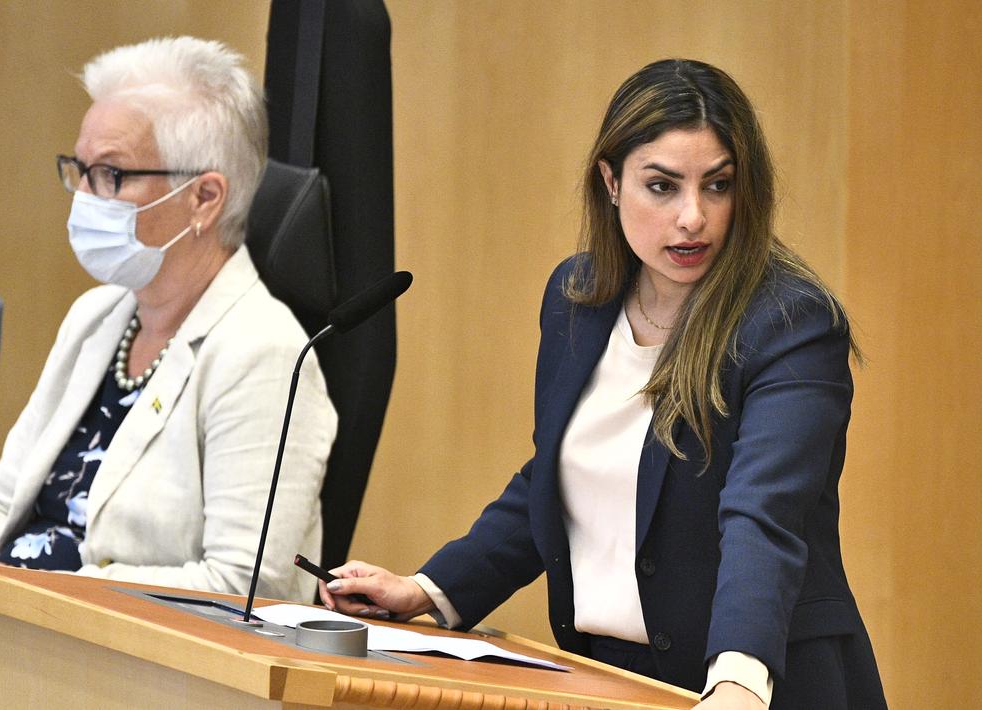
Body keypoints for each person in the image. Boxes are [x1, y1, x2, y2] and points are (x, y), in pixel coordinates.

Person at [320, 59, 885, 709]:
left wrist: (738, 678)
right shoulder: (577, 299)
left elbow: (764, 513)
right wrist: (428, 588)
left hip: (759, 681)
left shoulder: (789, 324)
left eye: (718, 185)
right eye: (662, 186)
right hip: (610, 677)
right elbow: (559, 478)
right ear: (611, 182)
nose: (693, 217)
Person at [0, 36, 336, 603]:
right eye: (80, 169)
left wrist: (49, 603)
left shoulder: (264, 354)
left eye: (111, 174)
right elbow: (2, 498)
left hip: (92, 643)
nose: (84, 196)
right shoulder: (97, 314)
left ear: (204, 198)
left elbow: (243, 584)